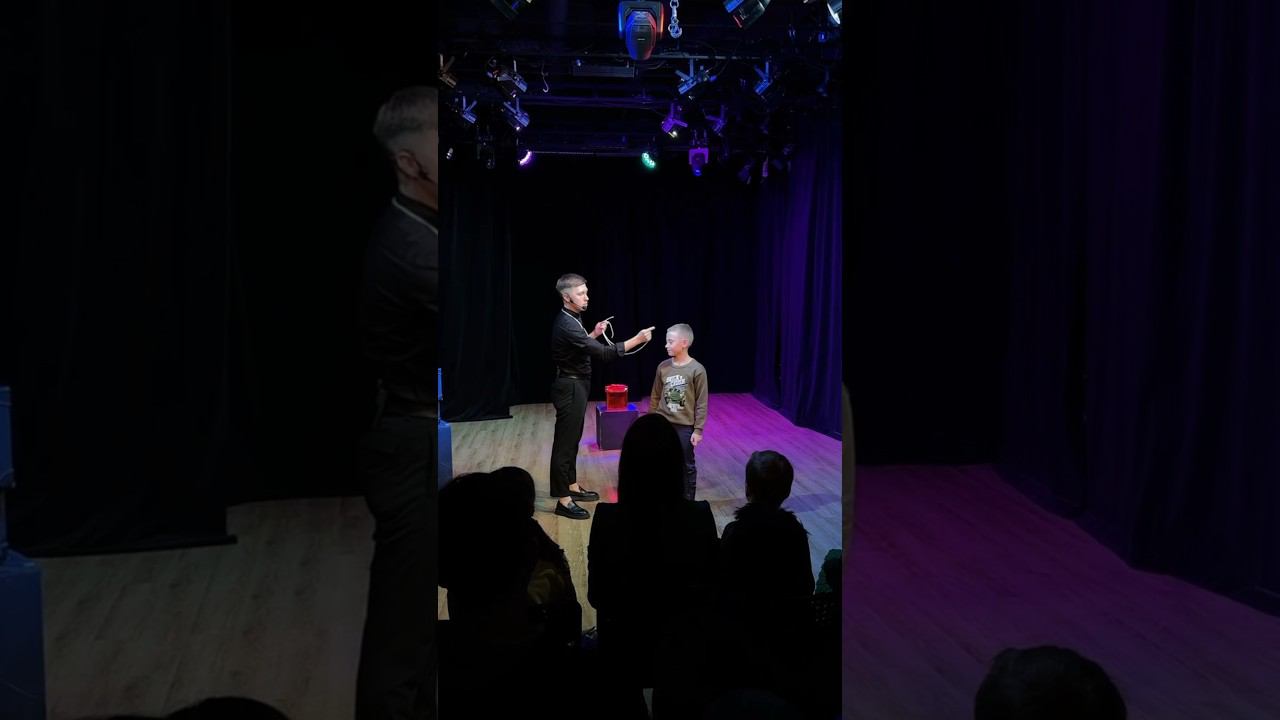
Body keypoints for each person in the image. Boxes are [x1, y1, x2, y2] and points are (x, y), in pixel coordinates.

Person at [355, 85, 439, 720]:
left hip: (411, 434)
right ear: (409, 162)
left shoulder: (419, 229)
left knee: (415, 631)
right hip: (407, 444)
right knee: (402, 632)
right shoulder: (411, 246)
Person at [549, 273, 652, 519]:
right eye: (580, 293)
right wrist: (637, 340)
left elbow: (579, 346)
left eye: (586, 292)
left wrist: (594, 334)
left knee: (572, 439)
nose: (586, 297)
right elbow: (604, 354)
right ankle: (563, 500)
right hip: (570, 387)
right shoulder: (566, 324)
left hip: (577, 385)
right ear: (566, 297)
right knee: (565, 444)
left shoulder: (572, 317)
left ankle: (571, 486)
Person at [648, 323, 708, 500]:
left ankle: (688, 502)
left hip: (684, 427)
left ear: (684, 343)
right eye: (667, 341)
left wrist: (698, 430)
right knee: (661, 462)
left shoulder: (697, 370)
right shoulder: (663, 367)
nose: (666, 345)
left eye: (670, 342)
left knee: (686, 465)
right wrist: (651, 422)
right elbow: (655, 396)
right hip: (662, 424)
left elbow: (702, 402)